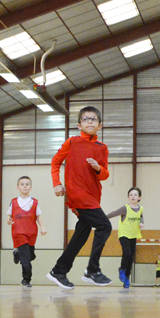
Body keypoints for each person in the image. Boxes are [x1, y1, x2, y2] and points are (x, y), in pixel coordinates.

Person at [47, 106, 113, 289]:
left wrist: (98, 168)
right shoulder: (72, 142)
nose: (90, 121)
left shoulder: (102, 148)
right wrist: (56, 183)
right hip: (77, 194)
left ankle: (59, 271)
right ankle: (92, 270)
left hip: (93, 196)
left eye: (93, 119)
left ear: (100, 125)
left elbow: (105, 175)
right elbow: (55, 162)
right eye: (85, 119)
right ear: (79, 125)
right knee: (105, 225)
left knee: (81, 234)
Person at [7, 176, 46, 287]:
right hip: (18, 233)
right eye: (22, 184)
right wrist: (9, 220)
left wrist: (43, 227)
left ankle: (17, 252)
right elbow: (9, 216)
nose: (25, 186)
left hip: (32, 233)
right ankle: (26, 280)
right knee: (25, 260)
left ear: (30, 187)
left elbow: (39, 216)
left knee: (30, 256)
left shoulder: (34, 202)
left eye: (27, 184)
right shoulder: (13, 202)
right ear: (18, 187)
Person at [107, 187, 144, 288]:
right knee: (127, 253)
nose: (133, 196)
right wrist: (102, 218)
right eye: (131, 195)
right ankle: (122, 270)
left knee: (131, 257)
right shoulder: (125, 208)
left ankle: (126, 278)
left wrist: (141, 223)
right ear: (128, 197)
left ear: (139, 198)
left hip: (134, 235)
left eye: (135, 195)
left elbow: (141, 217)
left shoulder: (140, 209)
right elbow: (114, 213)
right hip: (124, 234)